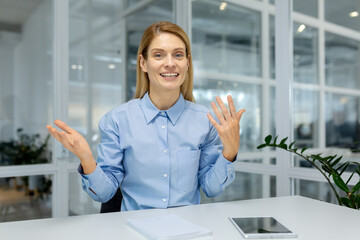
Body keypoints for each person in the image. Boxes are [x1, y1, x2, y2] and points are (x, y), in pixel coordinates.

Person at [47, 21, 245, 211]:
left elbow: (211, 189)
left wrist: (230, 152)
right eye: (158, 55)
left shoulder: (205, 121)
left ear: (187, 63)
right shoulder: (117, 120)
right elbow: (105, 194)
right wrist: (87, 159)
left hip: (188, 228)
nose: (170, 63)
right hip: (134, 229)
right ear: (143, 62)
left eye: (178, 55)